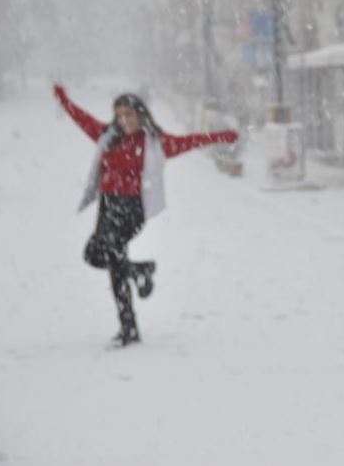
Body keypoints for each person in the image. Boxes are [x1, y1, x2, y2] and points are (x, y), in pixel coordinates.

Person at [54, 85, 239, 347]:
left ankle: (129, 320)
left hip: (131, 209)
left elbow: (190, 141)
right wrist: (64, 100)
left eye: (128, 114)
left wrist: (221, 136)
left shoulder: (154, 143)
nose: (124, 120)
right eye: (119, 116)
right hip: (107, 206)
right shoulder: (108, 136)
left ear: (140, 114)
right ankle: (137, 290)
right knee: (96, 256)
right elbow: (82, 120)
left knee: (113, 260)